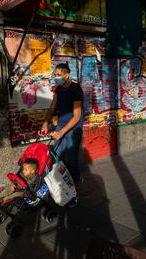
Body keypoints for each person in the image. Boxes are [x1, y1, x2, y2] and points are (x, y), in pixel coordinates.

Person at [39, 63, 83, 206]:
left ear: (66, 75)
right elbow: (53, 107)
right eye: (55, 74)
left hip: (72, 129)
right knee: (56, 157)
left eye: (58, 75)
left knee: (70, 159)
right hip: (60, 127)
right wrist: (46, 122)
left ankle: (75, 187)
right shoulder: (58, 89)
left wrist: (62, 132)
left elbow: (77, 116)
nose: (56, 77)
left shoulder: (75, 89)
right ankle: (60, 187)